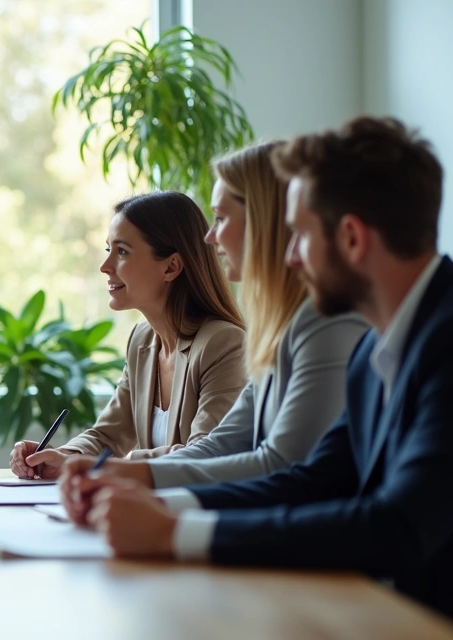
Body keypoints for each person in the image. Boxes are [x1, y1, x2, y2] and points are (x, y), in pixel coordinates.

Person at [62, 116, 453, 618]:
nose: (290, 256)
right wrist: (151, 494)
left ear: (352, 239)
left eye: (300, 236)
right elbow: (310, 480)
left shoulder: (437, 342)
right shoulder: (374, 352)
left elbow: (398, 526)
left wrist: (175, 531)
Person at [57, 142, 367, 488]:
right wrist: (102, 467)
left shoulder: (315, 326)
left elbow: (278, 464)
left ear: (264, 224)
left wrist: (131, 475)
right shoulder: (280, 329)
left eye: (220, 218)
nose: (210, 236)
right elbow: (223, 446)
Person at [10, 192, 246, 480]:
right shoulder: (142, 340)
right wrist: (65, 457)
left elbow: (208, 454)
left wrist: (118, 464)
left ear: (171, 266)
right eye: (108, 249)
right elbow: (107, 437)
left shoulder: (223, 343)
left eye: (121, 251)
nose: (105, 266)